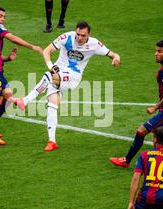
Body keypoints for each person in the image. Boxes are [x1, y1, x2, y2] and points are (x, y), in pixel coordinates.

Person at [10, 21, 120, 151]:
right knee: (52, 105)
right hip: (58, 72)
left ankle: (25, 100)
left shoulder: (94, 44)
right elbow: (47, 51)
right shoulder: (67, 37)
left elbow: (113, 54)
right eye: (78, 34)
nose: (79, 38)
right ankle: (52, 141)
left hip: (73, 76)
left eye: (83, 35)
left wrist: (116, 58)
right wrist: (52, 67)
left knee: (50, 76)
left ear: (88, 34)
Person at [110, 40, 163, 168]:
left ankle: (126, 160)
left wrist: (155, 107)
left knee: (142, 131)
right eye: (156, 51)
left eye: (160, 51)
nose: (155, 54)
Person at [0, 7, 43, 145]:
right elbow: (12, 38)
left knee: (7, 95)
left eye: (4, 17)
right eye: (0, 16)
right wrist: (32, 47)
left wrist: (8, 58)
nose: (2, 19)